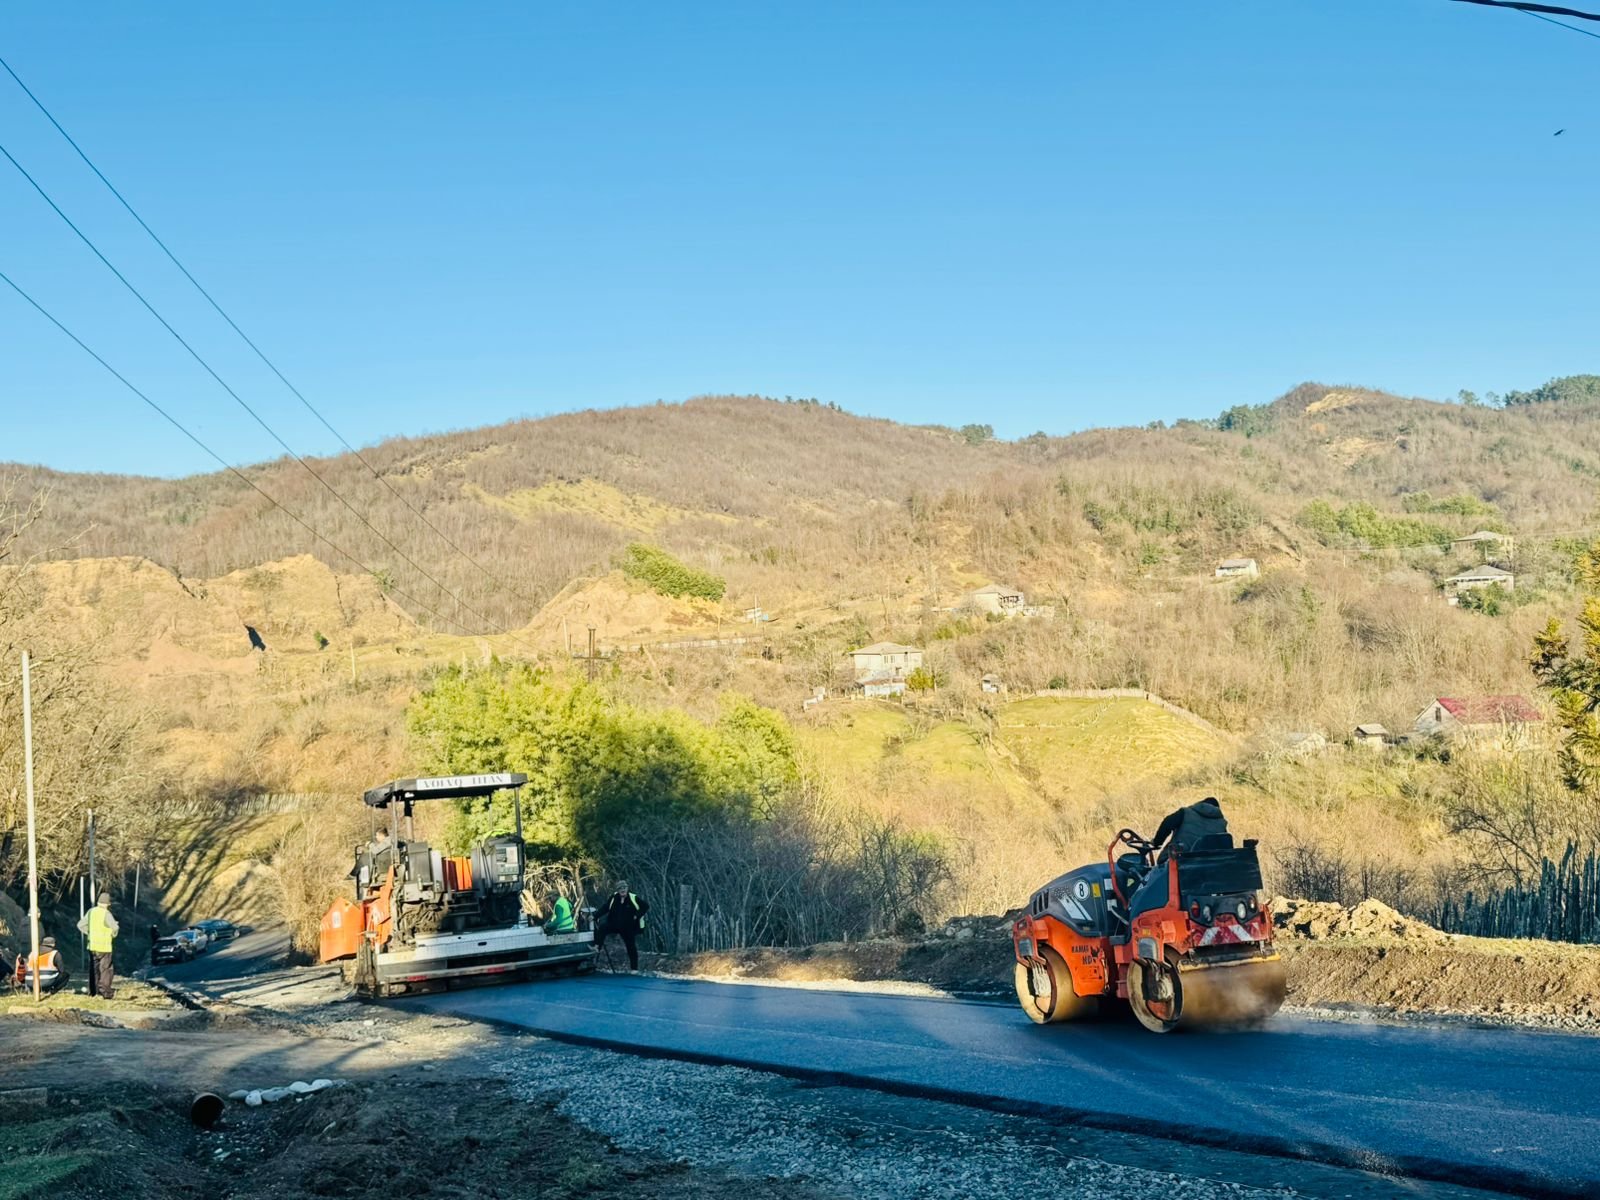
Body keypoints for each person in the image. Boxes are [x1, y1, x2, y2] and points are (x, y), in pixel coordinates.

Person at [1151, 797, 1229, 861]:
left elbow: (1167, 823)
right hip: (1206, 867)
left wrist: (1157, 842)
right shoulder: (1221, 825)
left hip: (1177, 861)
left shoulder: (1185, 813)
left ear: (1200, 803)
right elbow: (1226, 849)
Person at [596, 881, 648, 972]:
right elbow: (605, 907)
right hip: (615, 924)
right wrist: (595, 916)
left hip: (628, 927)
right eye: (620, 888)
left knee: (631, 947)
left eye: (624, 888)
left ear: (627, 888)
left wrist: (637, 915)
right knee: (603, 928)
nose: (622, 890)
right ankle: (597, 947)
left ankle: (634, 969)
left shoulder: (633, 897)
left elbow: (645, 906)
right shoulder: (614, 897)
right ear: (618, 890)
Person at [77, 891, 119, 999]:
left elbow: (80, 925)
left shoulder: (91, 912)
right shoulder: (106, 914)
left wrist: (89, 932)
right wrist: (112, 934)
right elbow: (115, 928)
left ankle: (93, 992)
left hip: (92, 946)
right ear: (108, 904)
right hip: (104, 947)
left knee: (93, 969)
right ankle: (105, 992)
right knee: (105, 970)